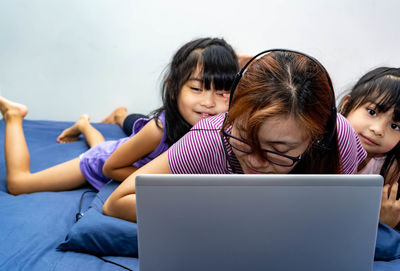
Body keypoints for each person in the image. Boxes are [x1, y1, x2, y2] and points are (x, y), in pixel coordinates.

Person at [102, 49, 367, 222]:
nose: (256, 161)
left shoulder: (338, 136)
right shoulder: (209, 138)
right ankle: (117, 117)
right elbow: (117, 202)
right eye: (243, 139)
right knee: (136, 129)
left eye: (280, 149)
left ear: (317, 140)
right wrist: (217, 211)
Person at [0, 37, 239, 194]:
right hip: (101, 164)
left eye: (222, 92)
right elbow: (110, 168)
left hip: (125, 153)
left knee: (112, 146)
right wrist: (167, 185)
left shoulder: (224, 129)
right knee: (20, 184)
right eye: (196, 89)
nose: (208, 103)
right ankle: (13, 115)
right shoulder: (158, 129)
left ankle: (84, 125)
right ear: (174, 87)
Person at [339, 67, 400, 229]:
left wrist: (383, 225)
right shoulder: (319, 149)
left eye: (395, 126)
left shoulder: (390, 173)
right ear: (346, 105)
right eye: (372, 112)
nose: (378, 130)